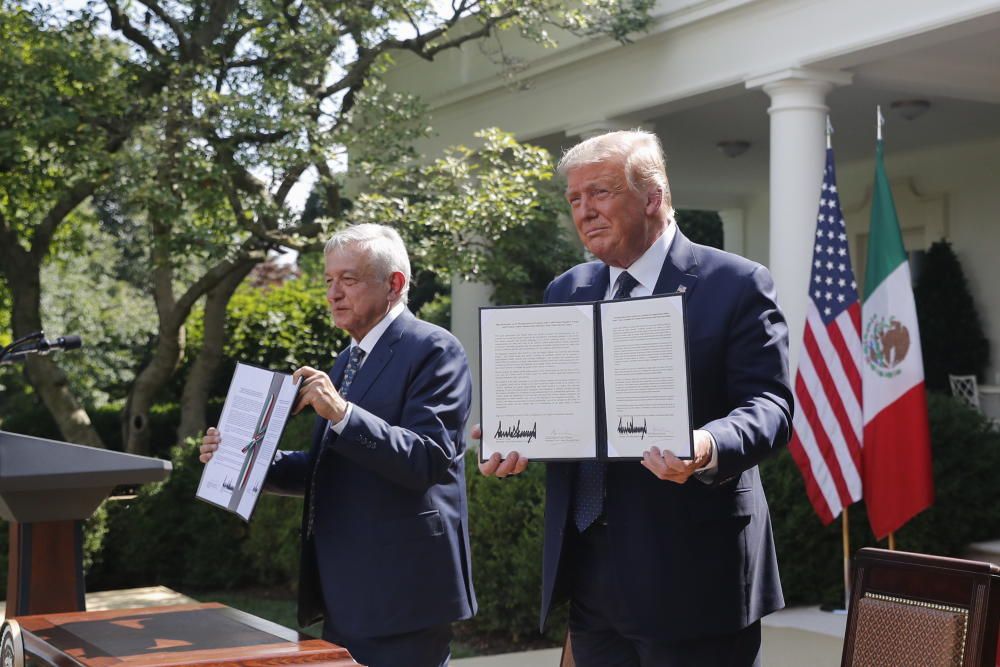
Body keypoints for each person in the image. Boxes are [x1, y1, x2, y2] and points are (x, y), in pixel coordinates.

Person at [478, 130, 793, 666]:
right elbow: (559, 404)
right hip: (591, 573)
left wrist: (706, 444)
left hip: (695, 575)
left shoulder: (736, 283)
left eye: (599, 193)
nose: (584, 211)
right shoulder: (566, 289)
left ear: (652, 197)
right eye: (574, 199)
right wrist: (515, 430)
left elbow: (770, 406)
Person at [200, 223, 476, 667]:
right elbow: (330, 467)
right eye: (328, 280)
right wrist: (246, 458)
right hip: (344, 589)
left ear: (395, 284)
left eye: (348, 280)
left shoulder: (435, 349)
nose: (333, 293)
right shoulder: (349, 358)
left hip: (403, 592)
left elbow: (426, 459)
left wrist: (343, 414)